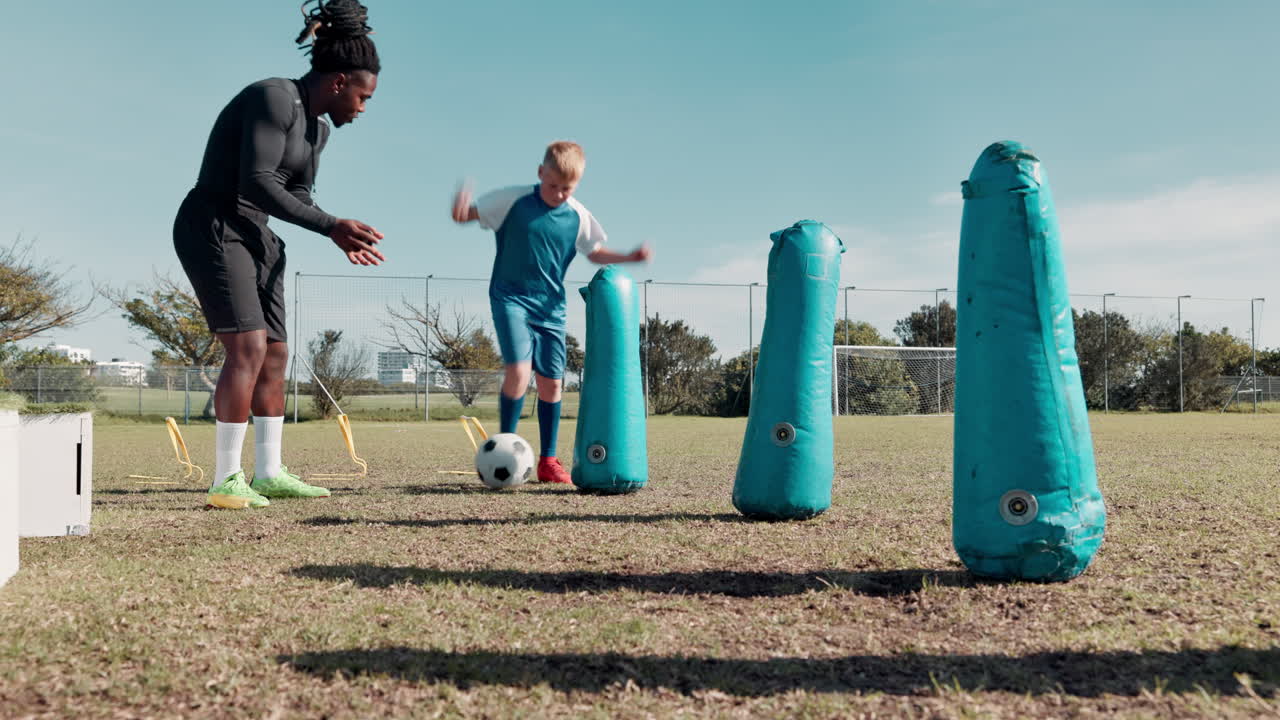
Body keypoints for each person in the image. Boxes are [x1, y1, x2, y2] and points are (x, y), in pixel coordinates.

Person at [174, 0, 385, 509]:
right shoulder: (274, 98)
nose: (363, 107)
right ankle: (226, 479)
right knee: (245, 347)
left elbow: (298, 195)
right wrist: (330, 226)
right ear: (338, 82)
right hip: (216, 224)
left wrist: (336, 227)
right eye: (363, 95)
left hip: (259, 234)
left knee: (274, 352)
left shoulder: (319, 130)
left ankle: (267, 472)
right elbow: (257, 180)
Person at [451, 141, 651, 484]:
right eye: (552, 185)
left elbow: (595, 252)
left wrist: (629, 257)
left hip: (551, 309)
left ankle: (547, 462)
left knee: (552, 384)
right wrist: (461, 207)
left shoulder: (578, 215)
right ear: (540, 172)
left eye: (566, 188)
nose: (558, 193)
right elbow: (467, 215)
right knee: (518, 370)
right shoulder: (511, 201)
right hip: (510, 299)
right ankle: (505, 449)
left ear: (577, 184)